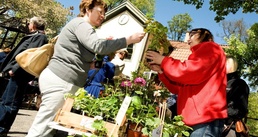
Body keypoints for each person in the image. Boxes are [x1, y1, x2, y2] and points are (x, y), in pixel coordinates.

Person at [26, 0, 145, 136]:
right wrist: (128, 40)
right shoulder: (81, 24)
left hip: (64, 81)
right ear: (88, 9)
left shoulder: (82, 27)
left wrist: (90, 64)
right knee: (42, 129)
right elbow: (98, 46)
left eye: (104, 13)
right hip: (61, 80)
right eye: (100, 12)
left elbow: (79, 53)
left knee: (53, 127)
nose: (103, 16)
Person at [146, 28, 227, 137]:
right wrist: (161, 71)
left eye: (192, 34)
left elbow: (190, 71)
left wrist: (163, 60)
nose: (188, 39)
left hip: (204, 119)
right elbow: (177, 88)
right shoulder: (197, 55)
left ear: (204, 35)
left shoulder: (211, 48)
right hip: (196, 119)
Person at [0, 16, 48, 135]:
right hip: (16, 73)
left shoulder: (40, 37)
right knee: (5, 100)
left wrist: (15, 69)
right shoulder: (36, 35)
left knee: (10, 103)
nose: (28, 25)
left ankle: (2, 129)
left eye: (29, 23)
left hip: (20, 74)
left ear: (35, 25)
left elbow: (30, 55)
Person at [224, 55, 249, 137]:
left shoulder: (239, 84)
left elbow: (241, 110)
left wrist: (222, 111)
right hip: (215, 126)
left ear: (230, 65)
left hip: (229, 128)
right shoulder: (220, 83)